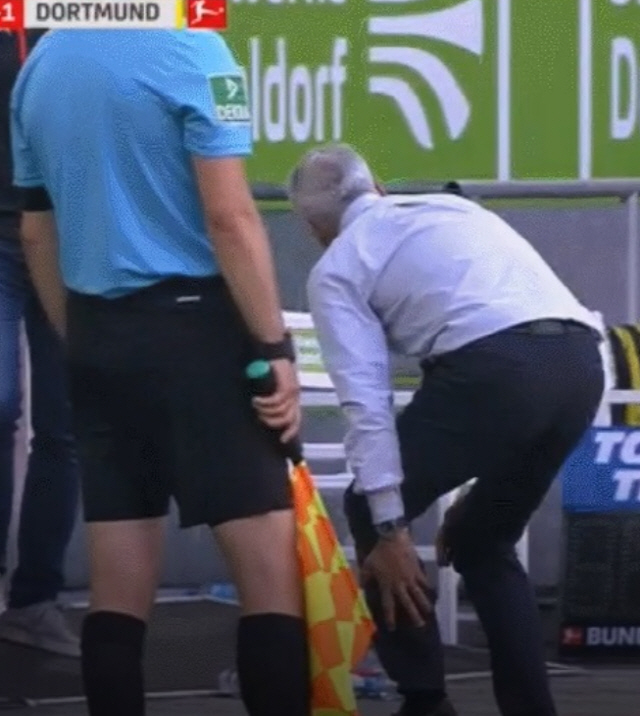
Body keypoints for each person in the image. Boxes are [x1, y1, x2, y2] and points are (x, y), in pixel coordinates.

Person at [11, 29, 310, 716]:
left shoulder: (42, 65)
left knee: (117, 588)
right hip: (199, 332)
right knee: (269, 577)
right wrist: (275, 347)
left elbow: (35, 232)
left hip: (97, 336)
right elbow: (230, 218)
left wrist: (80, 340)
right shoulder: (196, 52)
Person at [288, 144, 606, 716]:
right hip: (581, 363)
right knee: (484, 539)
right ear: (378, 187)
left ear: (315, 229)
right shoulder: (453, 209)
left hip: (495, 369)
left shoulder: (338, 267)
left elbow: (367, 403)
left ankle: (426, 701)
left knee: (368, 505)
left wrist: (389, 528)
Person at [0, 29, 80, 658]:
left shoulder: (90, 26)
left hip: (66, 241)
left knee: (64, 426)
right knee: (0, 404)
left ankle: (34, 600)